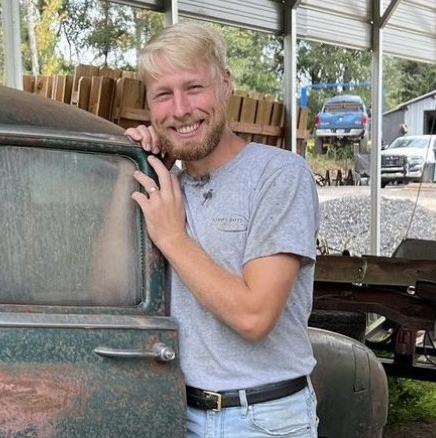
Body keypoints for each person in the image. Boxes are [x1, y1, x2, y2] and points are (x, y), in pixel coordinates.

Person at [125, 22, 320, 438]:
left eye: (194, 88)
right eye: (163, 94)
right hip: (173, 412)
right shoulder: (162, 189)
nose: (180, 109)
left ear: (226, 85)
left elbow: (255, 316)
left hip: (263, 418)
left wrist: (174, 239)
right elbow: (106, 288)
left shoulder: (279, 176)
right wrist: (128, 165)